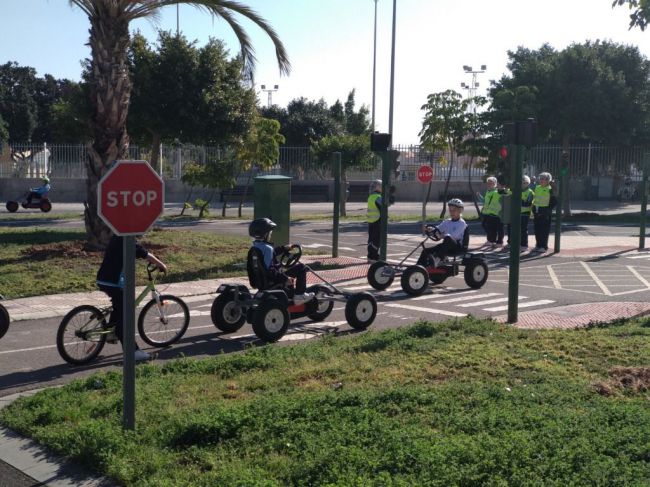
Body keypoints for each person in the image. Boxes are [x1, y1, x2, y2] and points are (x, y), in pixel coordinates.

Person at [96, 235, 167, 361]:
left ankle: (111, 333)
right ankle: (132, 351)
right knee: (126, 315)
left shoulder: (116, 237)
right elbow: (144, 253)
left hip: (103, 279)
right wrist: (161, 264)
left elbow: (137, 252)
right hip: (114, 282)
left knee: (119, 306)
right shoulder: (127, 238)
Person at [248, 218, 314, 304]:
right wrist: (285, 278)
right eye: (270, 233)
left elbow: (272, 254)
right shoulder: (268, 249)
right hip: (273, 281)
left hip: (261, 282)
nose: (270, 235)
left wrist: (283, 248)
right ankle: (299, 295)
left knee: (289, 270)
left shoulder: (255, 247)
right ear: (265, 234)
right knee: (301, 268)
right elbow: (270, 270)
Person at [417, 198, 467, 268]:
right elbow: (438, 228)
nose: (452, 212)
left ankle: (437, 259)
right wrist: (429, 229)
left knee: (448, 238)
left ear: (460, 211)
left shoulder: (462, 223)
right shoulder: (447, 222)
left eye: (454, 210)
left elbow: (454, 236)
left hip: (457, 247)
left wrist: (441, 236)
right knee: (426, 251)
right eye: (450, 210)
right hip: (446, 246)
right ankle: (418, 268)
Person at [505, 175, 534, 252]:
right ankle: (510, 243)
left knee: (523, 230)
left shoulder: (530, 192)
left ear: (528, 183)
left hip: (524, 213)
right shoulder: (515, 190)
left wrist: (517, 198)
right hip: (514, 213)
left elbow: (527, 203)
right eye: (521, 182)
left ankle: (524, 245)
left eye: (525, 183)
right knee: (510, 228)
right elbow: (505, 193)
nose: (523, 184)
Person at [532, 172, 557, 253]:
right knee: (537, 229)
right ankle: (538, 245)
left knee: (544, 230)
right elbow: (535, 198)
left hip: (545, 211)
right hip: (537, 210)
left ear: (548, 180)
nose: (542, 180)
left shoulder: (550, 189)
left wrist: (548, 210)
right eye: (541, 178)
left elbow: (554, 201)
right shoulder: (537, 187)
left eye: (544, 179)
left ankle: (544, 246)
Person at [481, 176, 503, 248]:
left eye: (491, 183)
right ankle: (491, 240)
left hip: (497, 214)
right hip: (488, 213)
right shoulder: (488, 191)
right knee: (487, 226)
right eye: (488, 183)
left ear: (495, 184)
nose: (489, 184)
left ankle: (499, 242)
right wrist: (479, 197)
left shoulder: (497, 192)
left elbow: (507, 193)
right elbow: (485, 201)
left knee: (498, 228)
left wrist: (503, 189)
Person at [366, 179, 384, 261]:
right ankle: (374, 256)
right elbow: (382, 208)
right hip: (378, 221)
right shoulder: (378, 197)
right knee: (377, 240)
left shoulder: (371, 197)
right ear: (378, 187)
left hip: (371, 221)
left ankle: (370, 255)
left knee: (371, 239)